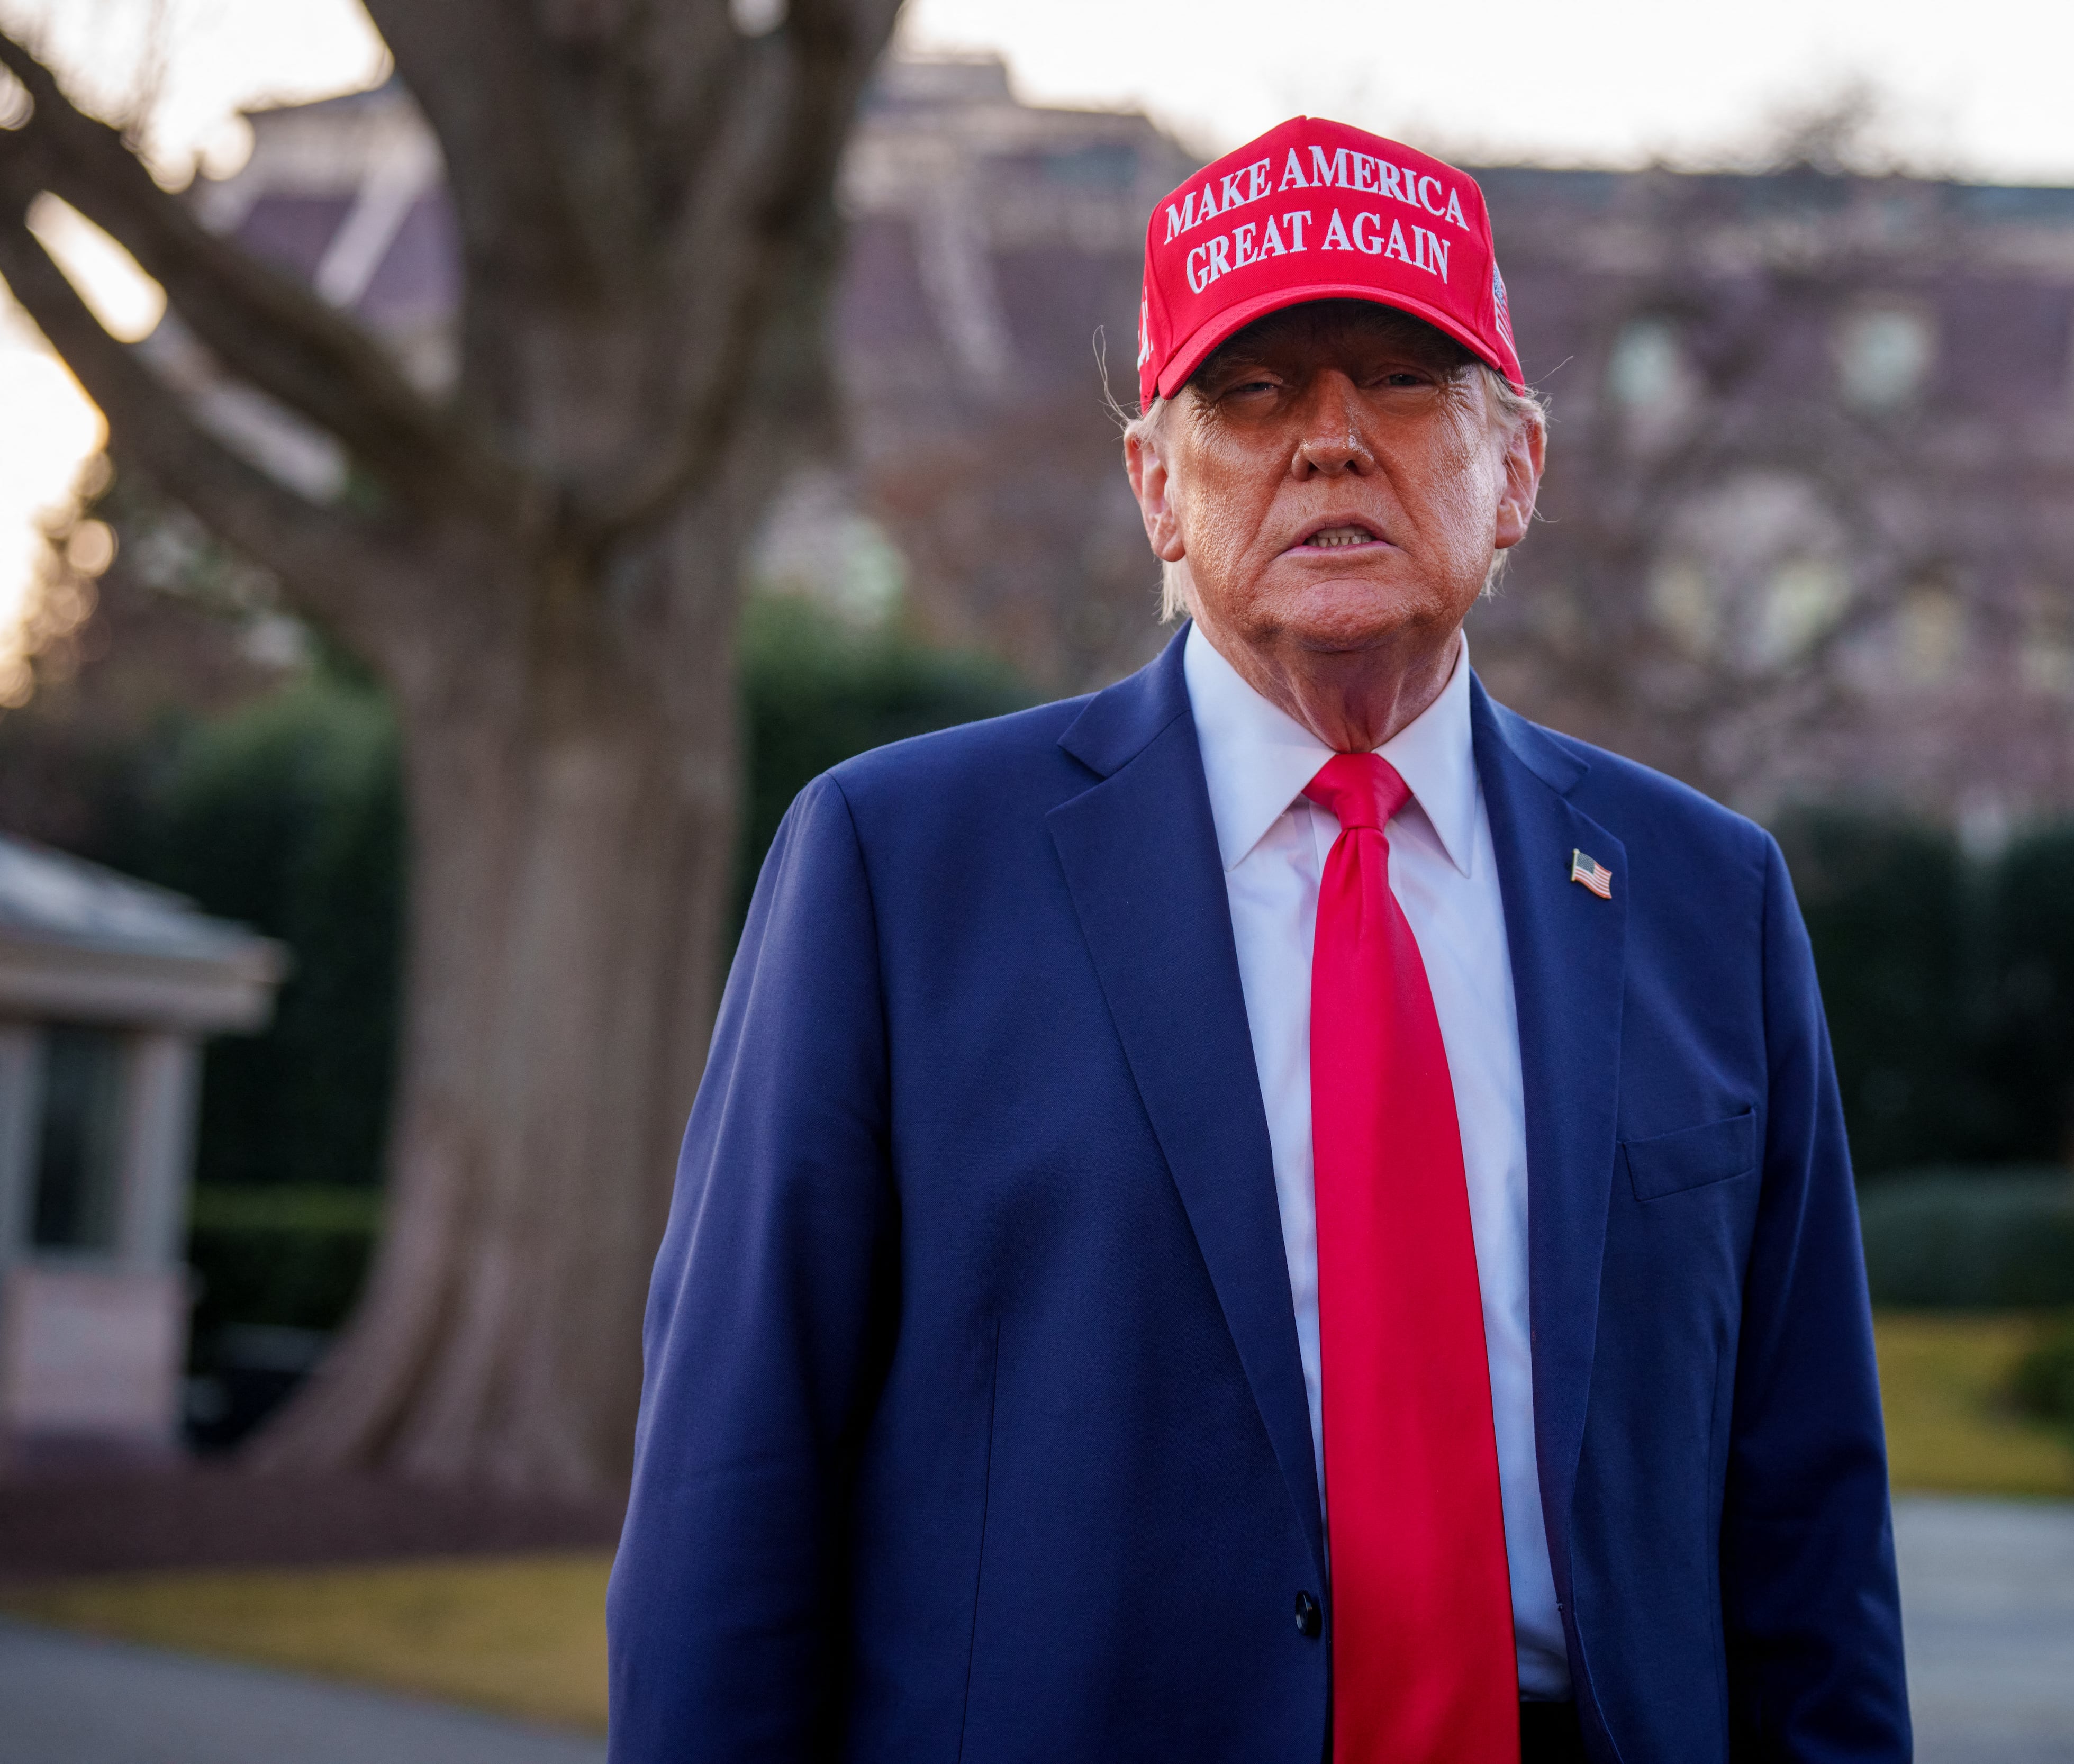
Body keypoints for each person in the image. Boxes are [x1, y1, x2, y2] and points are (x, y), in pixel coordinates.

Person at [608, 116, 1910, 1764]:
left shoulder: (1707, 896)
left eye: (1401, 378)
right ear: (1158, 486)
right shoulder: (896, 868)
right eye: (1255, 392)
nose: (1333, 442)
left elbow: (1809, 1517)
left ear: (1517, 476)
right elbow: (738, 1475)